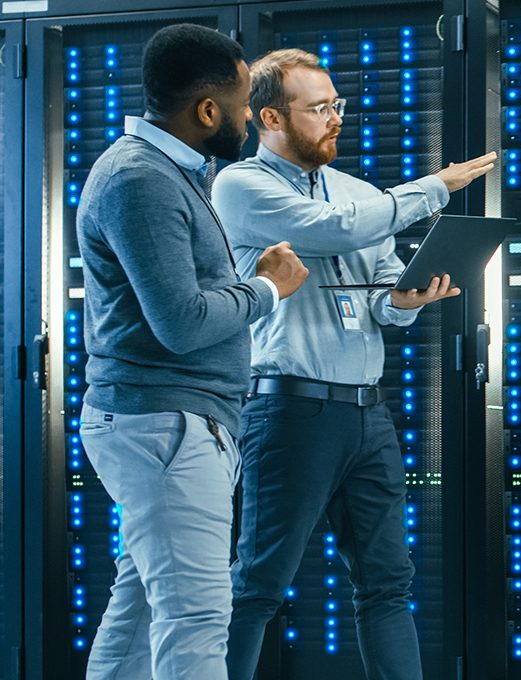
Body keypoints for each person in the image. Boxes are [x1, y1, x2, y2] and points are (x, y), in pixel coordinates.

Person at [210, 48, 495, 680]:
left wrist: (408, 300)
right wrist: (433, 188)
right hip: (289, 410)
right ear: (270, 119)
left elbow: (386, 287)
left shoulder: (358, 192)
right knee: (258, 583)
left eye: (336, 104)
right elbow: (333, 230)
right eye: (318, 109)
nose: (335, 118)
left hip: (368, 416)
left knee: (388, 582)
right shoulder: (240, 186)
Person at [75, 23, 309, 680]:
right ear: (206, 111)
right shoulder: (140, 181)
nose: (250, 121)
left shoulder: (166, 173)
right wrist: (267, 288)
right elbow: (181, 322)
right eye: (240, 106)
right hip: (166, 425)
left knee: (143, 609)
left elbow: (180, 299)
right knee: (196, 617)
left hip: (169, 423)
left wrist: (244, 281)